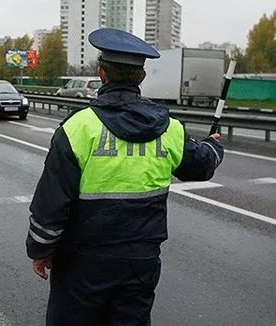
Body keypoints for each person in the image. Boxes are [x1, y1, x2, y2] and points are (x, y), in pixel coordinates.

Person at [25, 28, 224, 326]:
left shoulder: (78, 128)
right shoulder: (168, 128)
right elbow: (202, 165)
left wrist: (40, 250)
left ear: (101, 74)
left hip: (82, 263)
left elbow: (52, 203)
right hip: (140, 262)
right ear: (141, 78)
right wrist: (214, 145)